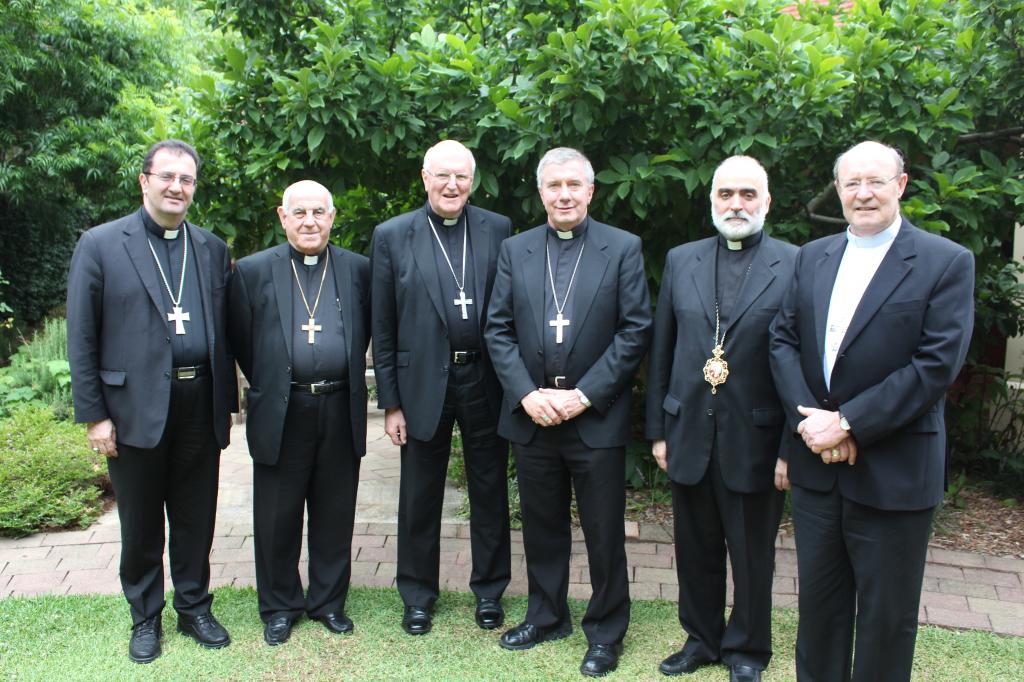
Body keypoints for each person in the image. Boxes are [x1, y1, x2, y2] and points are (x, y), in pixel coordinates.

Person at [769, 141, 975, 681]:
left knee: (886, 620)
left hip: (893, 472)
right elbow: (782, 340)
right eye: (851, 183)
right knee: (818, 610)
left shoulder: (945, 262)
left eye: (876, 182)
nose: (863, 194)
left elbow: (935, 367)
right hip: (818, 470)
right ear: (838, 190)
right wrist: (810, 423)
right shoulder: (811, 257)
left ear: (901, 185)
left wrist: (849, 422)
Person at [484, 147, 652, 677]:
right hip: (532, 416)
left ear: (590, 190)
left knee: (603, 531)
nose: (564, 195)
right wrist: (526, 395)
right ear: (541, 193)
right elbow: (498, 329)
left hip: (594, 417)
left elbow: (634, 331)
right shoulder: (515, 251)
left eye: (574, 185)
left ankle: (605, 631)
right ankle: (546, 614)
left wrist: (583, 395)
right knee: (541, 525)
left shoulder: (622, 248)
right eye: (554, 186)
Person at [67, 139, 235, 663]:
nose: (177, 187)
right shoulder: (100, 244)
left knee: (195, 517)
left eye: (186, 180)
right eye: (167, 177)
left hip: (199, 404)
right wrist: (94, 415)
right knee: (140, 523)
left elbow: (228, 326)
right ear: (144, 181)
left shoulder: (210, 248)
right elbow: (82, 336)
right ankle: (145, 617)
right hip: (132, 408)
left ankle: (194, 608)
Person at [646, 156, 796, 682]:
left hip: (756, 437)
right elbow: (661, 350)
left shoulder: (794, 263)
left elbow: (798, 363)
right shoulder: (682, 259)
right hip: (688, 431)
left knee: (753, 553)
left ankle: (749, 648)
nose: (736, 204)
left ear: (767, 202)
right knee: (695, 547)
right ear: (711, 200)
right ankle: (701, 639)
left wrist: (789, 446)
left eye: (748, 194)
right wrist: (657, 430)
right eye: (726, 194)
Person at [370, 139, 512, 635]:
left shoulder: (498, 229)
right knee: (419, 494)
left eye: (462, 176)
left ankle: (490, 591)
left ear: (472, 181)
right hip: (421, 383)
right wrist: (390, 403)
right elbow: (382, 327)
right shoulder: (392, 235)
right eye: (442, 176)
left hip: (486, 379)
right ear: (424, 177)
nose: (452, 185)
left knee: (490, 489)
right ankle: (417, 595)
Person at [227, 180, 370, 646]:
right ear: (282, 216)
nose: (310, 221)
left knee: (334, 511)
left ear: (332, 216)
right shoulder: (251, 272)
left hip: (338, 405)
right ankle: (281, 605)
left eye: (319, 212)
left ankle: (328, 602)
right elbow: (243, 342)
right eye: (299, 213)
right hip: (282, 408)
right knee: (277, 515)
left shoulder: (358, 270)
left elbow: (368, 332)